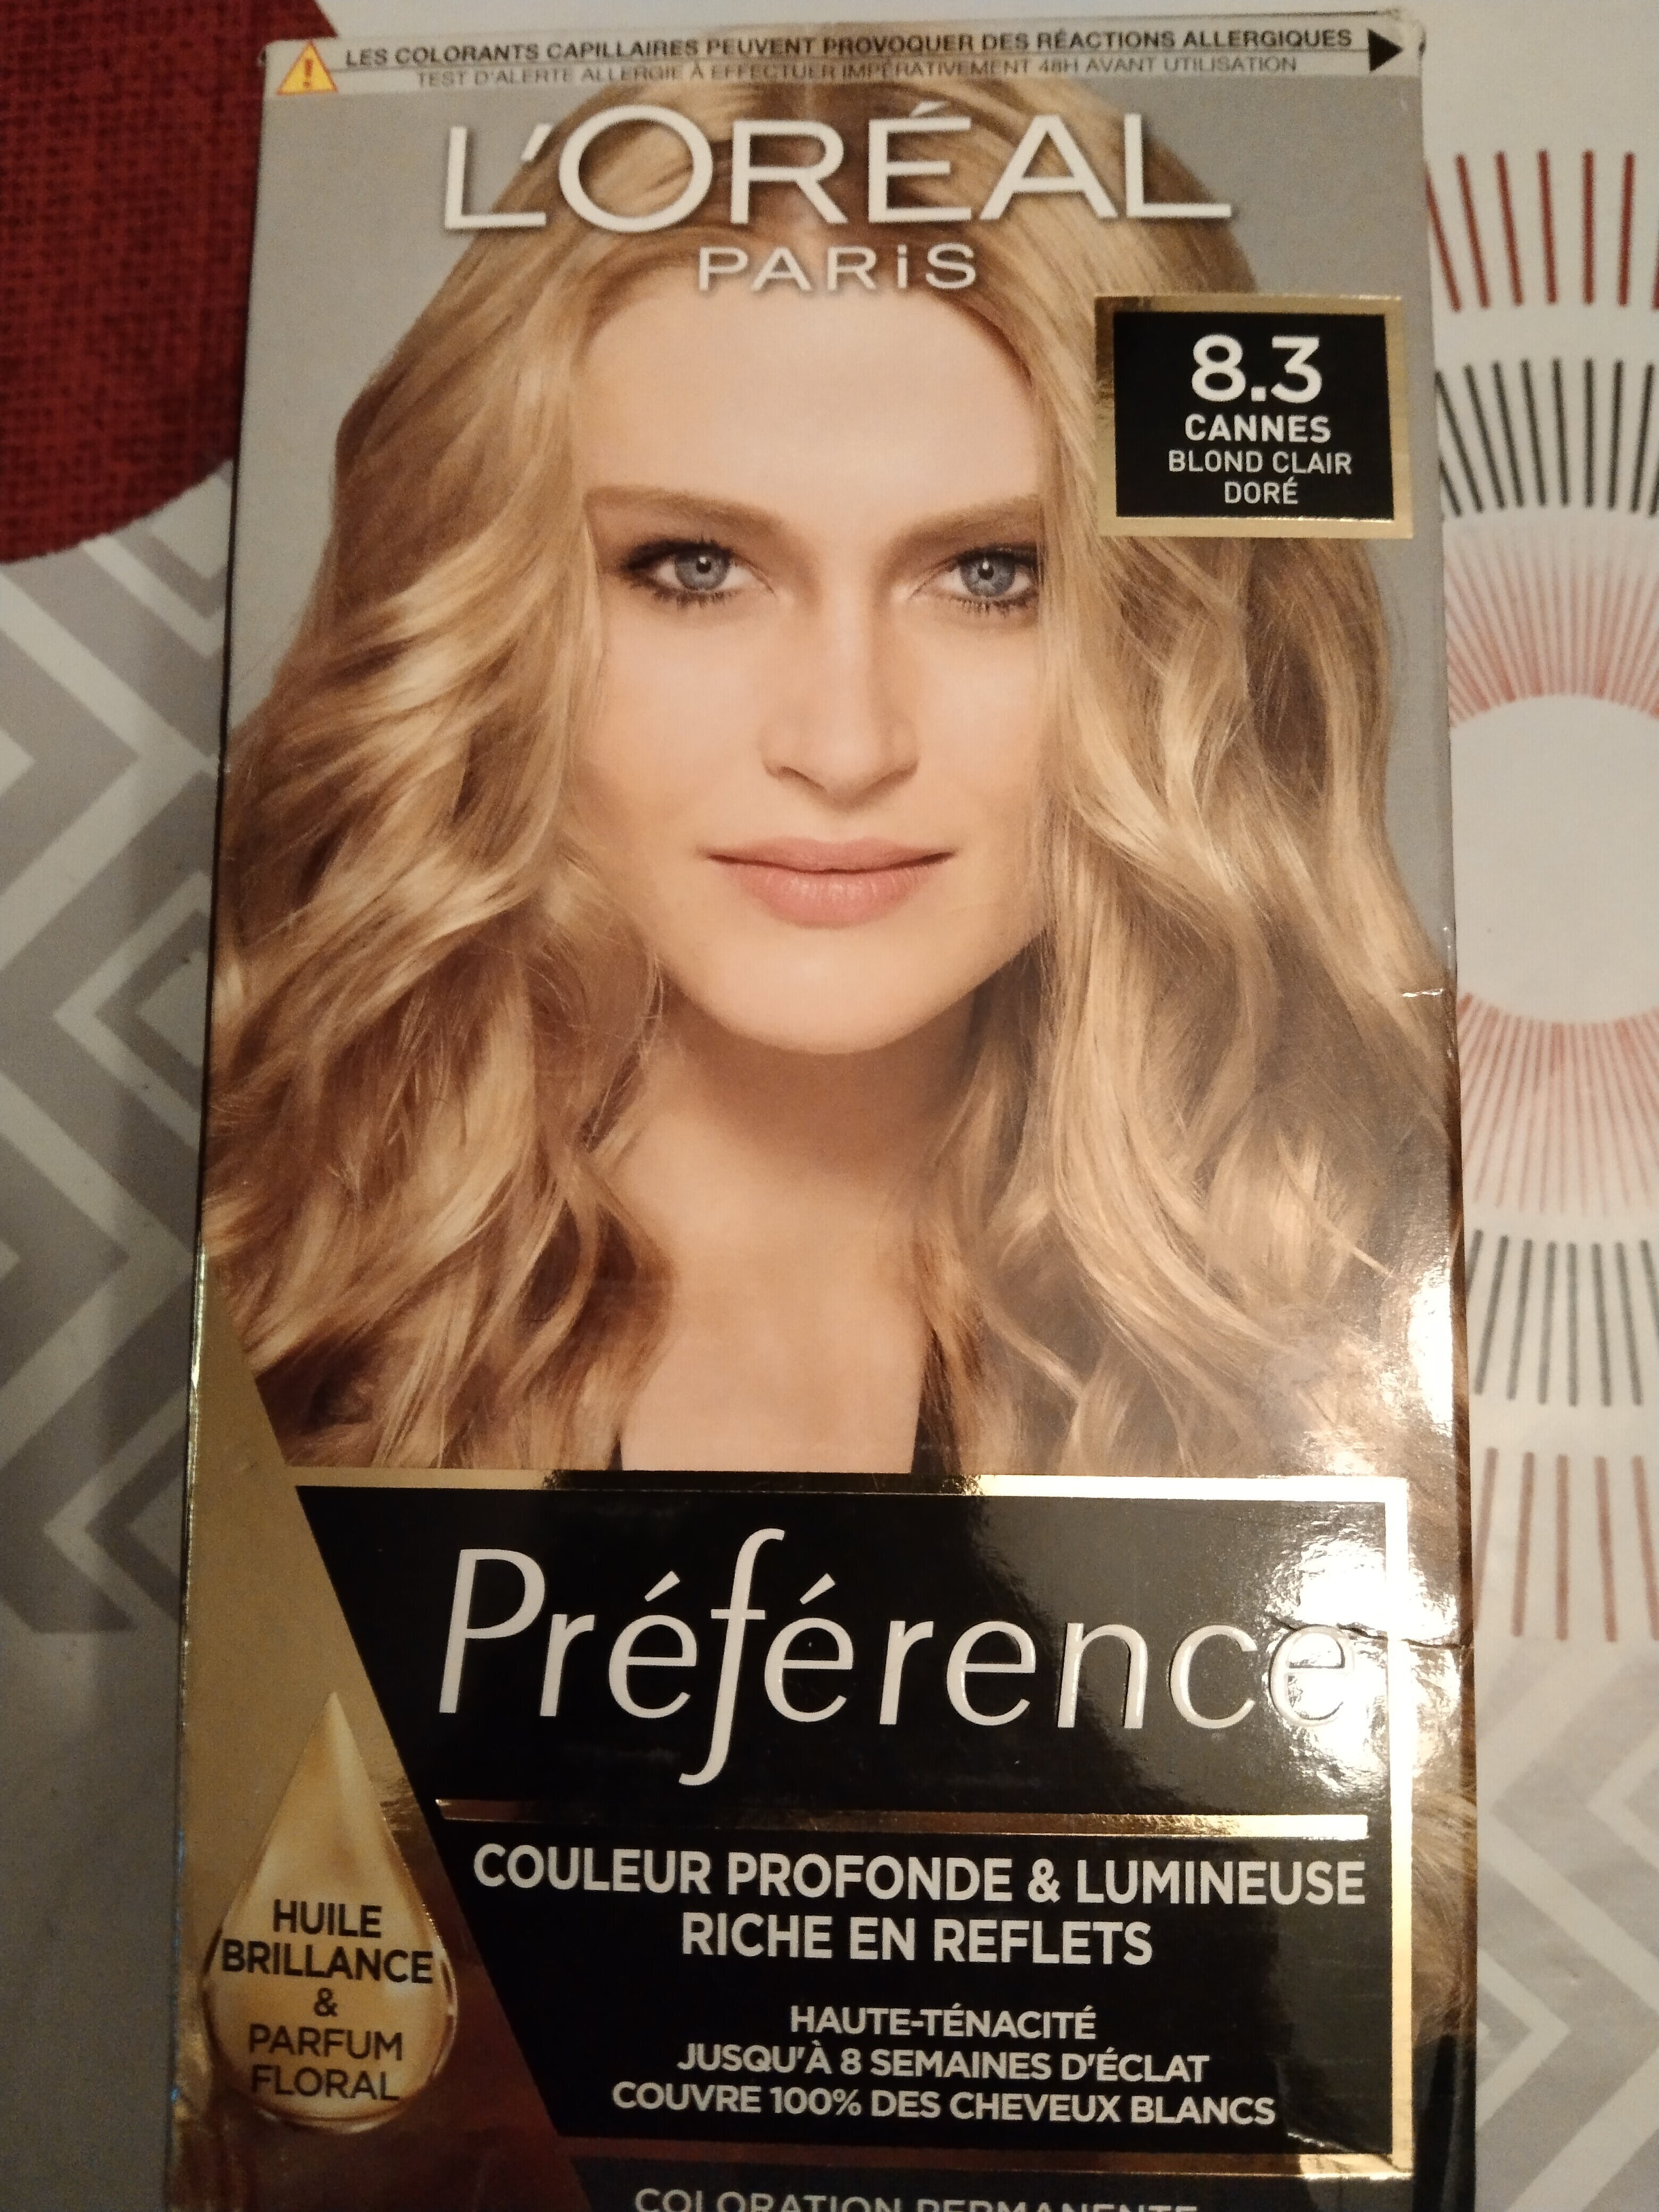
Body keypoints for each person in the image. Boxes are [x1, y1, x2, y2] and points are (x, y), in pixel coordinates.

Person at [203, 75, 1455, 1485]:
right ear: (493, 618)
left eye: (996, 575)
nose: (846, 747)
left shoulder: (1367, 1313)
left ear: (1177, 647)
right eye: (696, 569)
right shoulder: (258, 1297)